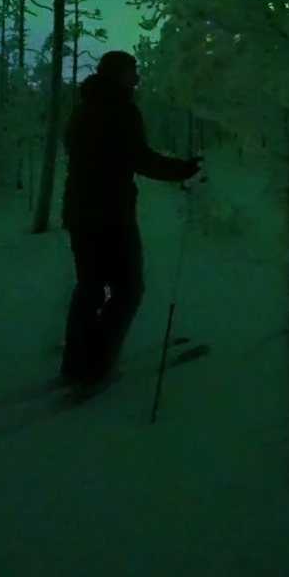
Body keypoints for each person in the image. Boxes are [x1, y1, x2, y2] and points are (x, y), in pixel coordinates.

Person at [59, 50, 202, 393]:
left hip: (80, 213)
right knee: (128, 289)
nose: (136, 77)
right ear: (119, 74)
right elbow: (139, 158)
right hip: (110, 215)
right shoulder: (120, 111)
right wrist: (183, 170)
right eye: (132, 71)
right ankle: (99, 364)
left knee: (90, 288)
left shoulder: (84, 110)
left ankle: (77, 363)